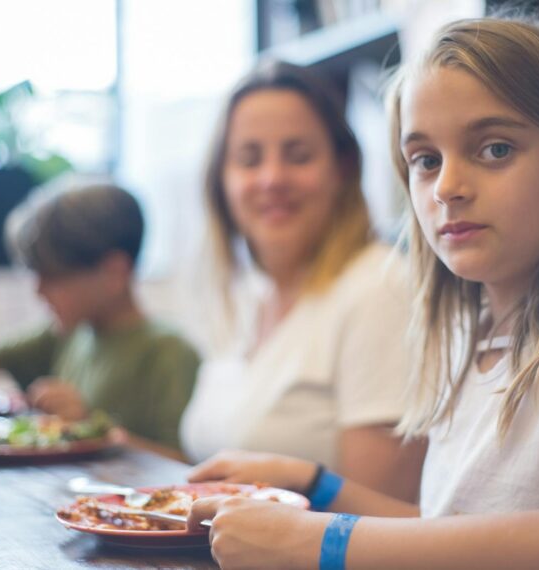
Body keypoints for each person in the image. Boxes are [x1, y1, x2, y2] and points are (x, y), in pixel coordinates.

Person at [183, 17, 539, 570]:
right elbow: (450, 533)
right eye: (426, 160)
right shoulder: (468, 331)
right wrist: (317, 484)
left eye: (495, 149)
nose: (448, 187)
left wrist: (320, 542)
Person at [177, 60, 425, 502]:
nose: (272, 178)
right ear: (221, 181)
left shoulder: (379, 290)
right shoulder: (245, 294)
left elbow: (379, 525)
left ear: (343, 168)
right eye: (249, 159)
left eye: (299, 155)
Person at [0, 179, 201, 451]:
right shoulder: (69, 333)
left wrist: (89, 427)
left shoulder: (168, 351)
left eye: (54, 276)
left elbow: (182, 463)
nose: (39, 290)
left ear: (115, 271)